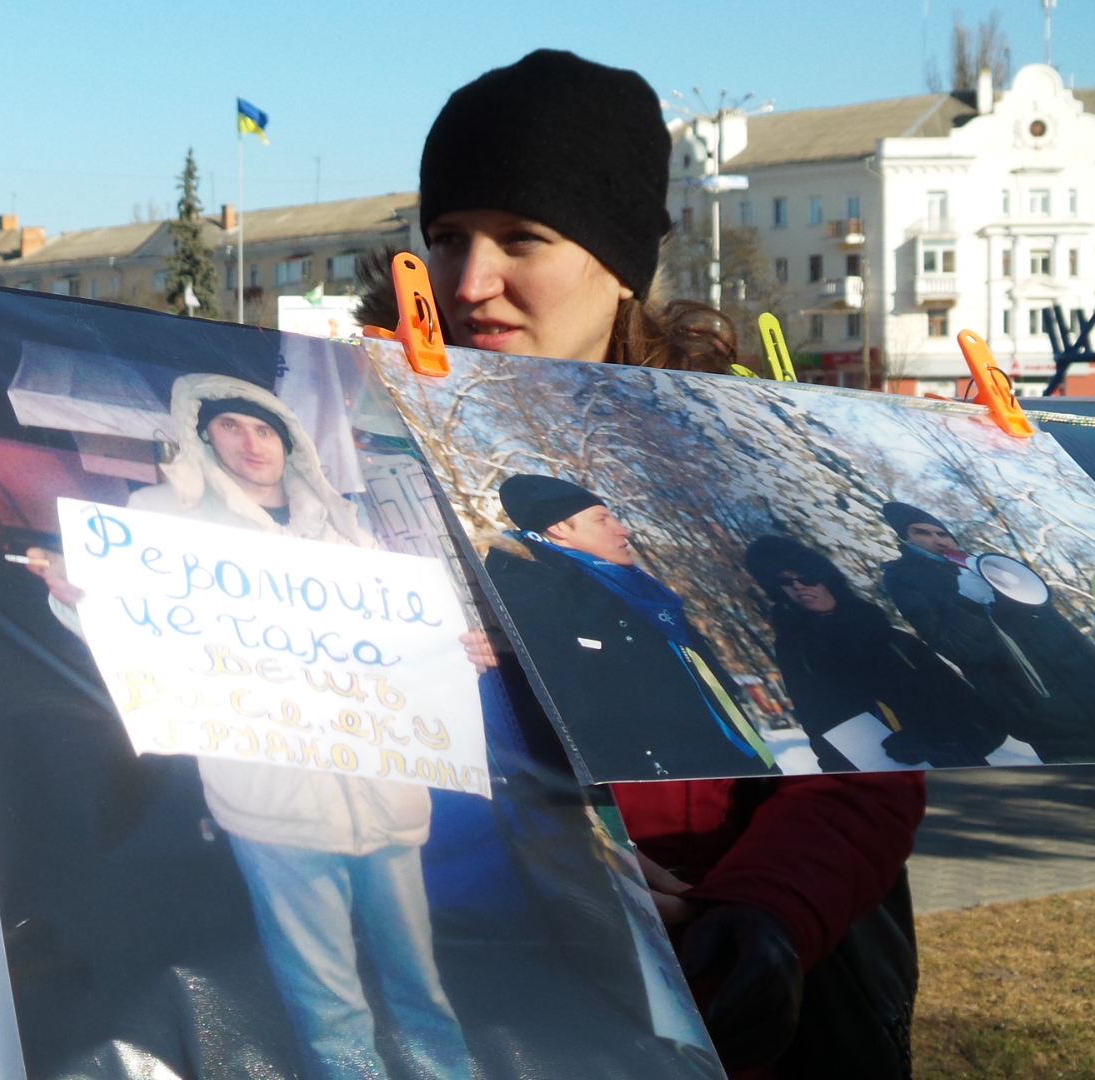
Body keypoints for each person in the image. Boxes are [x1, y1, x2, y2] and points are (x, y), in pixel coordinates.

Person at [419, 49, 925, 1079]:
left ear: (619, 265)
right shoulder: (357, 449)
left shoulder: (726, 457)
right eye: (446, 238)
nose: (470, 284)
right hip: (486, 991)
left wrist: (766, 911)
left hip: (727, 989)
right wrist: (555, 851)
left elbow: (860, 758)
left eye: (523, 238)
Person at [32, 373, 470, 1080]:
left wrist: (457, 652)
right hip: (275, 799)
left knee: (419, 979)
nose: (251, 442)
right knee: (324, 994)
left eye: (265, 428)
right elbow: (134, 634)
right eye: (230, 426)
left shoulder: (350, 532)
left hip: (385, 791)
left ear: (290, 442)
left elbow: (405, 647)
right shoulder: (161, 523)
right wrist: (77, 600)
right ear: (203, 436)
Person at [483, 474, 776, 779]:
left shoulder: (634, 590)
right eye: (602, 520)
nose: (624, 530)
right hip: (666, 785)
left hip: (736, 764)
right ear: (559, 528)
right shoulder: (533, 594)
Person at [742, 536, 1005, 770]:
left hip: (952, 769)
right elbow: (818, 726)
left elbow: (973, 713)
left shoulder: (894, 640)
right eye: (786, 582)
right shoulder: (796, 653)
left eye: (807, 578)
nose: (799, 587)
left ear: (828, 580)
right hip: (875, 781)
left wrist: (932, 736)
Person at [878, 502, 1095, 762]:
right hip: (1038, 708)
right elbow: (956, 647)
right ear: (906, 539)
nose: (938, 539)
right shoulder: (903, 577)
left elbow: (1056, 624)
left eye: (942, 533)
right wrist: (968, 601)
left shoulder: (982, 565)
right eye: (922, 532)